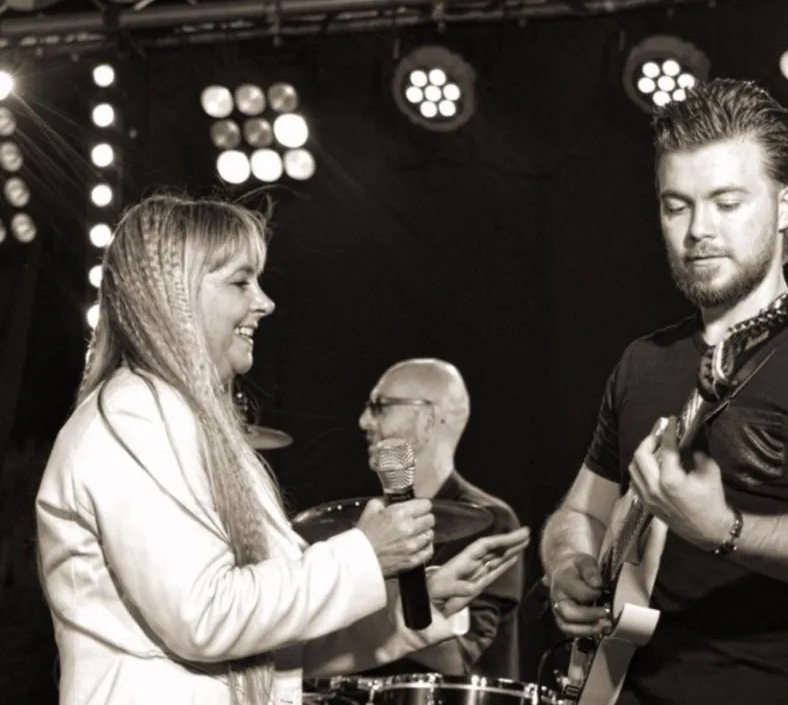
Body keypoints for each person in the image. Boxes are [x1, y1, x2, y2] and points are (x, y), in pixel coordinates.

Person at [35, 193, 525, 705]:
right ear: (174, 295)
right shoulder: (135, 414)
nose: (265, 303)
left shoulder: (184, 424)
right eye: (240, 282)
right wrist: (364, 553)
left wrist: (402, 611)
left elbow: (269, 653)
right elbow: (204, 617)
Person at [539, 79, 788, 705]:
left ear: (785, 205)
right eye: (676, 206)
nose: (698, 230)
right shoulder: (641, 362)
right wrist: (566, 566)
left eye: (727, 203)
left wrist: (723, 528)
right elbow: (580, 514)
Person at [357, 358, 529, 679]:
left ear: (428, 420)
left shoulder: (489, 521)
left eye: (380, 406)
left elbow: (462, 661)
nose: (364, 420)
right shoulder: (371, 519)